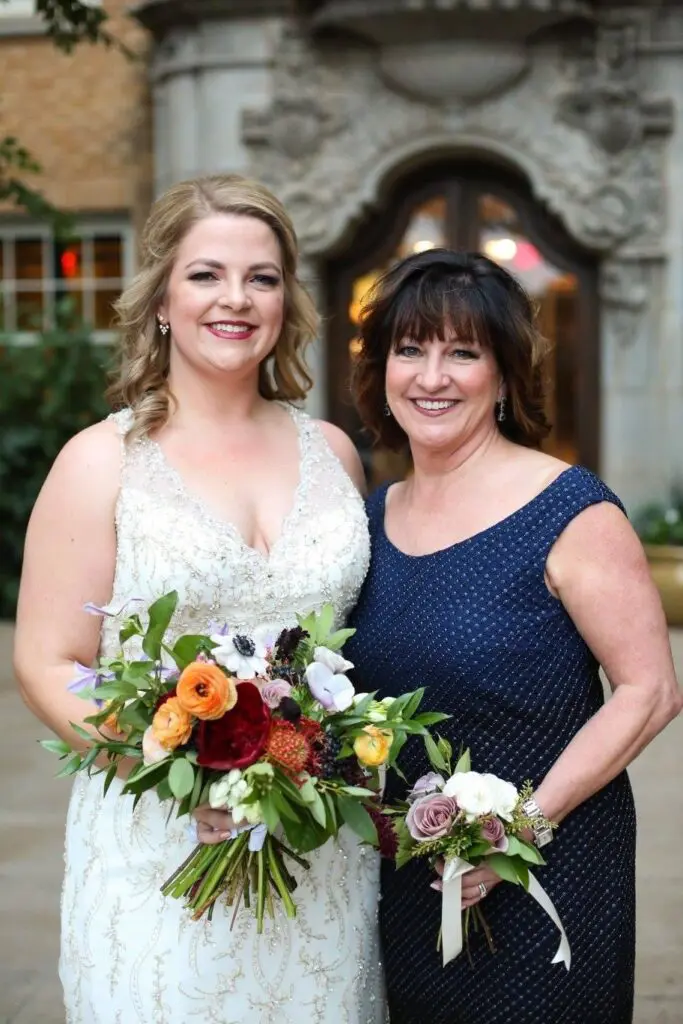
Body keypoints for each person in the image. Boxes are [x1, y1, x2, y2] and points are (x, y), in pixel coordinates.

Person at [13, 175, 385, 1023]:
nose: (237, 298)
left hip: (316, 851)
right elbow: (46, 662)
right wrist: (180, 775)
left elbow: (351, 655)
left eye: (262, 278)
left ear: (288, 303)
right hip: (160, 844)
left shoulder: (333, 454)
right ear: (161, 301)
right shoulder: (102, 462)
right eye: (207, 274)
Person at [344, 248, 682, 1024]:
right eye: (410, 350)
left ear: (501, 375)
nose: (432, 377)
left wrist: (514, 833)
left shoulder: (569, 510)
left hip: (546, 876)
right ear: (381, 368)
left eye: (462, 353)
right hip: (407, 882)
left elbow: (649, 691)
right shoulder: (371, 517)